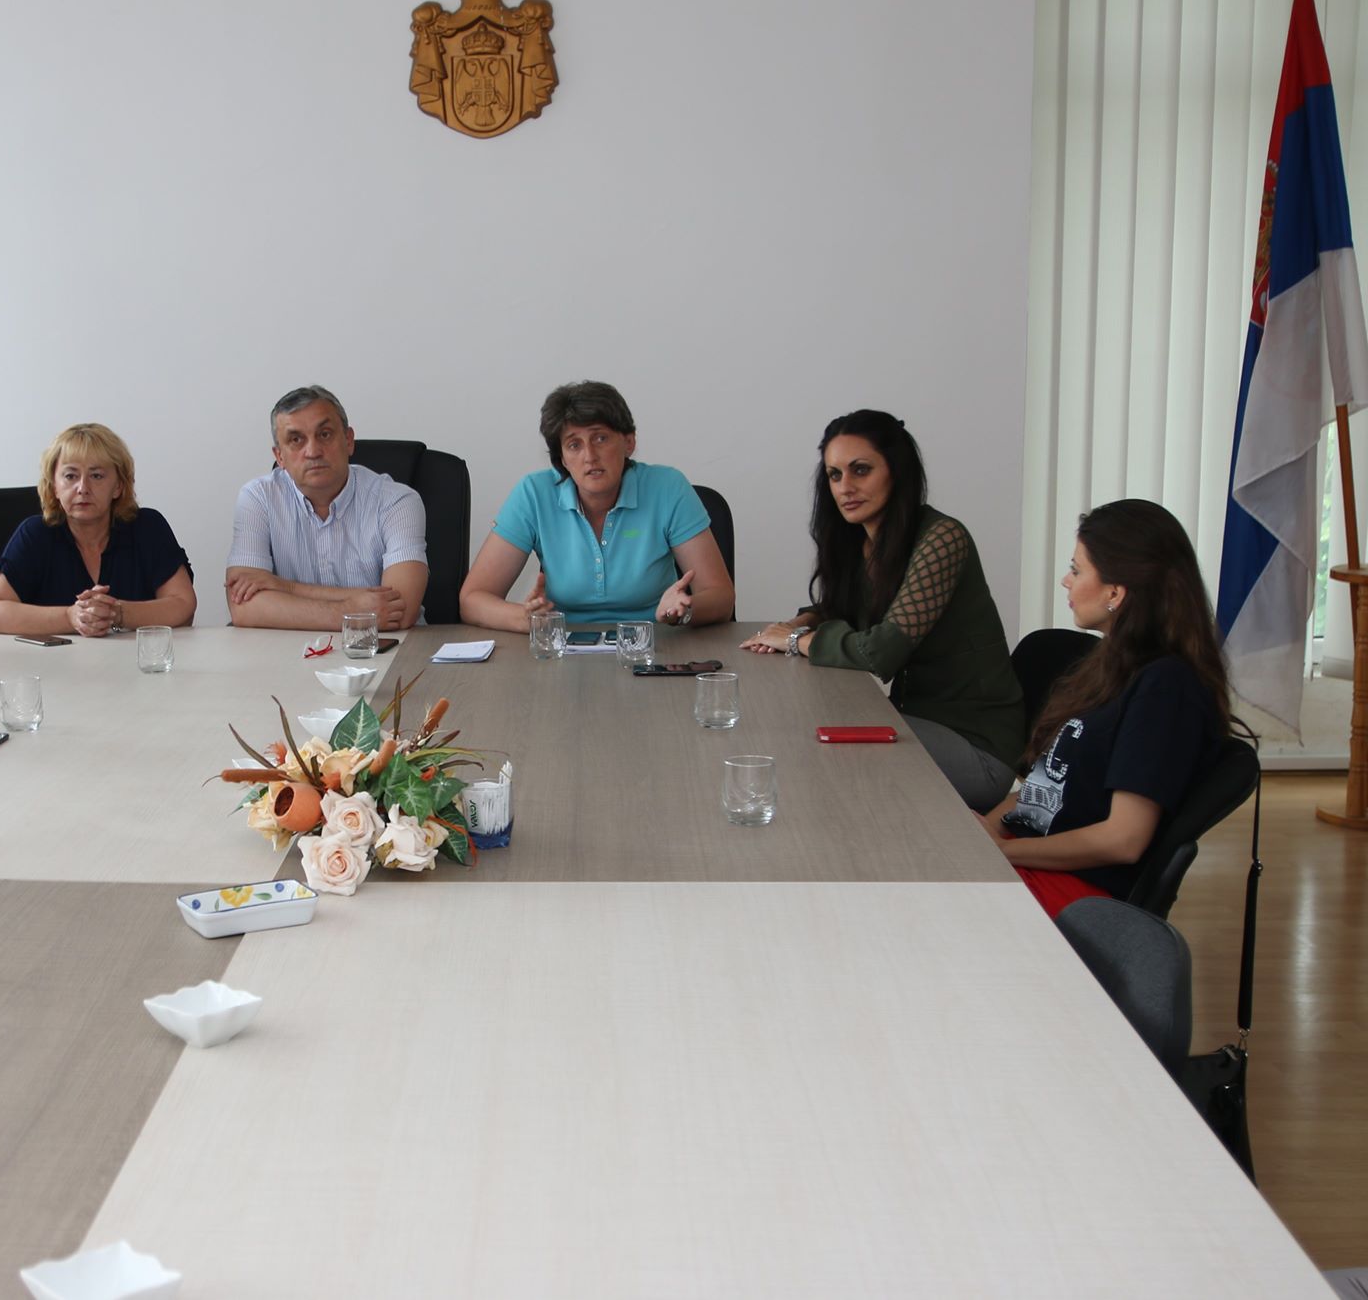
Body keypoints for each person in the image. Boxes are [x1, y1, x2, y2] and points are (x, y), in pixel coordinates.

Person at [742, 410, 1024, 811]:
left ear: (897, 471)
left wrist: (795, 641)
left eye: (861, 470)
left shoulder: (943, 539)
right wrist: (795, 624)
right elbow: (840, 607)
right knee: (798, 723)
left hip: (976, 749)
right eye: (834, 475)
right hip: (915, 722)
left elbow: (880, 652)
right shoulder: (863, 543)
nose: (845, 487)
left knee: (813, 748)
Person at [977, 500, 1245, 917]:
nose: (1066, 580)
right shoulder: (1111, 666)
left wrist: (1002, 852)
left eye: (1077, 570)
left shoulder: (1165, 689)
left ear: (1115, 593)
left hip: (1072, 890)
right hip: (1030, 861)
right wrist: (982, 832)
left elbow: (1124, 839)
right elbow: (1041, 792)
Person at [459, 380, 735, 630]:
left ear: (629, 442)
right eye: (574, 445)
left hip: (653, 646)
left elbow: (721, 597)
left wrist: (683, 611)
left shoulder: (668, 488)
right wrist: (524, 618)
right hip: (564, 648)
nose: (589, 456)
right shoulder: (534, 493)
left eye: (600, 438)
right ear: (562, 459)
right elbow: (472, 600)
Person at [225, 385, 429, 630]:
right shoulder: (258, 498)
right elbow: (243, 608)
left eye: (324, 434)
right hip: (288, 649)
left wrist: (285, 588)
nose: (313, 451)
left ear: (348, 440)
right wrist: (351, 611)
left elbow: (399, 611)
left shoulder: (397, 501)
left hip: (392, 647)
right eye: (296, 440)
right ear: (279, 457)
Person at [0, 423, 197, 638]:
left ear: (118, 486)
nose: (83, 488)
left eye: (96, 476)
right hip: (54, 661)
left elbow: (183, 606)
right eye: (70, 476)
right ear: (54, 486)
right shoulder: (35, 534)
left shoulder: (147, 528)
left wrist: (116, 613)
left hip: (134, 659)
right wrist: (71, 617)